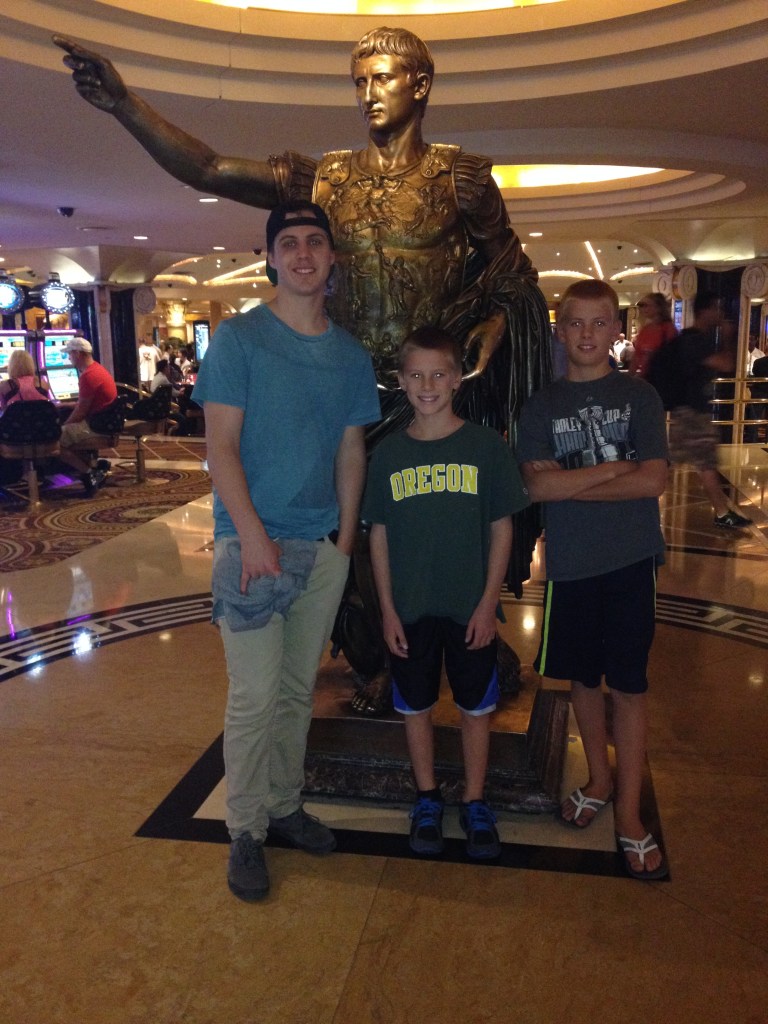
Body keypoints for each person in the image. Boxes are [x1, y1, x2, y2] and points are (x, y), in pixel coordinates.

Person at [55, 26, 552, 715]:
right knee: (363, 533)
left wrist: (492, 327)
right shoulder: (325, 179)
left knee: (446, 524)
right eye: (359, 81)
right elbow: (210, 169)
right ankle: (388, 655)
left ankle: (470, 641)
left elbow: (511, 274)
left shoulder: (460, 179)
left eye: (382, 78)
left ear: (421, 85)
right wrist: (125, 105)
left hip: (431, 393)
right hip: (347, 391)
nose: (368, 93)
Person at [191, 202, 380, 902]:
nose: (303, 253)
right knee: (255, 695)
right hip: (251, 544)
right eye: (289, 243)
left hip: (321, 545)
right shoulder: (240, 339)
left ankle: (283, 804)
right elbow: (220, 448)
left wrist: (345, 540)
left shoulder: (350, 354)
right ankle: (245, 829)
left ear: (332, 258)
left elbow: (352, 450)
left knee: (298, 690)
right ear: (271, 258)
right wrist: (252, 537)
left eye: (315, 242)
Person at [516, 280, 669, 880]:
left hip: (631, 561)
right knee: (582, 678)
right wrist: (613, 469)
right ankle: (599, 779)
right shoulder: (541, 406)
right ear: (561, 330)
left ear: (615, 329)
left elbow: (652, 480)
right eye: (575, 323)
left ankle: (628, 810)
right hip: (572, 564)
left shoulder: (639, 397)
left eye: (598, 322)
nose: (586, 334)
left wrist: (569, 481)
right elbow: (536, 487)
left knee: (629, 685)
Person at [363, 326, 528, 859]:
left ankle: (475, 799)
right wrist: (387, 610)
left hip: (468, 606)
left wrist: (488, 601)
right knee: (414, 705)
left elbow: (502, 527)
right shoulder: (389, 454)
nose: (427, 385)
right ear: (401, 380)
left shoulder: (485, 447)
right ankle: (427, 796)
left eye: (439, 374)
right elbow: (379, 535)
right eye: (416, 375)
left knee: (476, 706)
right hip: (410, 607)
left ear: (458, 378)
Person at [670, 292, 752, 527]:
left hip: (688, 411)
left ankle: (723, 512)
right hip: (693, 414)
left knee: (682, 462)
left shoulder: (692, 338)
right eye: (716, 308)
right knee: (703, 463)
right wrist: (727, 337)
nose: (720, 314)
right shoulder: (695, 340)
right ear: (704, 311)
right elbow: (726, 364)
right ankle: (723, 513)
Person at [58, 336, 118, 496]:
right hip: (104, 422)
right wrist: (65, 405)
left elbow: (80, 413)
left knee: (54, 441)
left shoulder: (88, 376)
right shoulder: (97, 369)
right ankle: (95, 469)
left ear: (78, 354)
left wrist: (64, 426)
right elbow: (86, 404)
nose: (69, 358)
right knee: (65, 433)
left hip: (97, 426)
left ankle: (90, 473)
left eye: (69, 354)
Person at [629, 292, 676, 378]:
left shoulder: (668, 329)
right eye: (642, 306)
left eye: (646, 305)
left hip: (663, 378)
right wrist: (630, 377)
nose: (643, 309)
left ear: (658, 308)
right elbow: (636, 357)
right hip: (647, 377)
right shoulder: (645, 330)